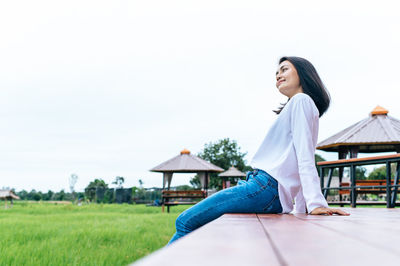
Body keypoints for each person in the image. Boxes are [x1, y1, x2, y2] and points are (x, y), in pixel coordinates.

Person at [168, 56, 350, 245]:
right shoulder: (299, 105)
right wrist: (303, 208)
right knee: (191, 224)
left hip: (265, 186)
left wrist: (316, 205)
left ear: (303, 73)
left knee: (185, 222)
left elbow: (305, 156)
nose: (279, 75)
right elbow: (299, 159)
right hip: (264, 187)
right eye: (277, 72)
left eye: (284, 69)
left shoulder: (301, 101)